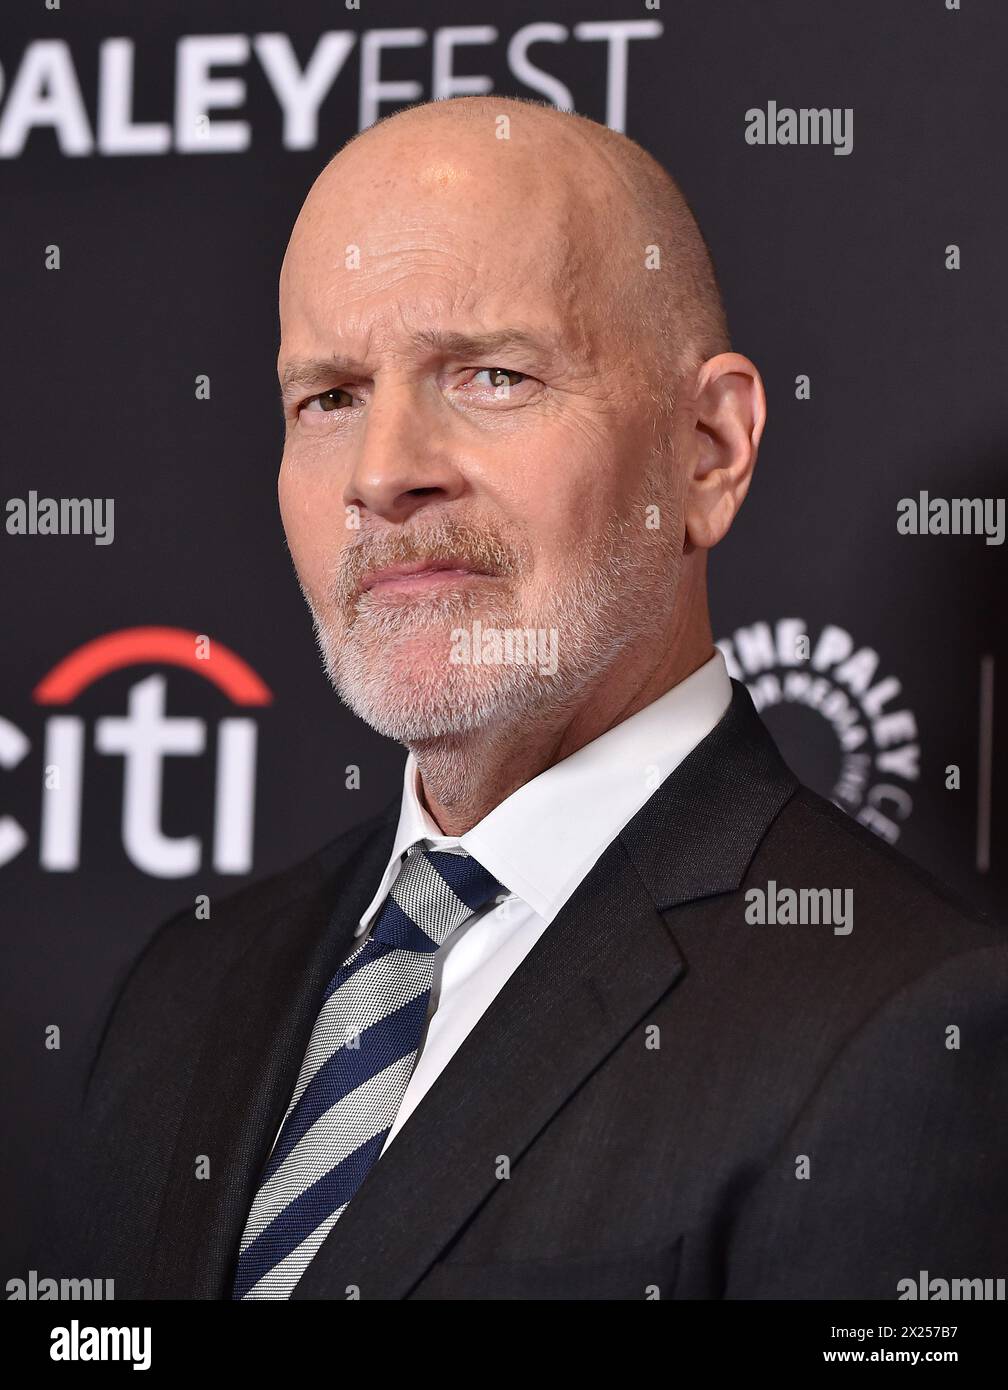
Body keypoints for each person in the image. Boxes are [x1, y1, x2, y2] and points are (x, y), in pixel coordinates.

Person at [52, 95, 1007, 1300]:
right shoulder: (181, 994)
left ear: (708, 451)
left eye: (492, 375)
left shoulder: (911, 1034)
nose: (386, 471)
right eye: (330, 397)